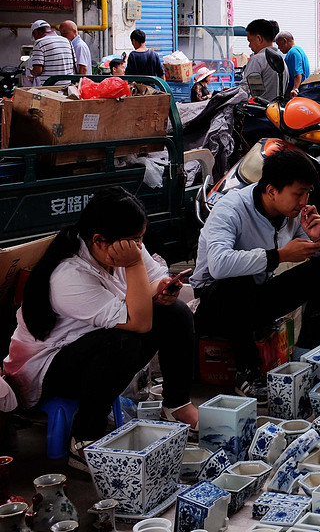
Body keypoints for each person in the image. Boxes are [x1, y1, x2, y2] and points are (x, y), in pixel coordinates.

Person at [3, 187, 199, 467]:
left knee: (176, 312)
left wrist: (163, 289)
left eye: (140, 239)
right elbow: (139, 322)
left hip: (93, 351)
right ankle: (83, 438)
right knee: (123, 340)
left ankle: (177, 405)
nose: (139, 246)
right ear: (99, 240)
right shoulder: (68, 275)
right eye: (134, 241)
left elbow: (154, 280)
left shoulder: (125, 246)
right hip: (47, 370)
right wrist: (134, 267)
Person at [191, 149, 320, 400]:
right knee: (236, 280)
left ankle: (308, 354)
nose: (304, 201)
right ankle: (247, 372)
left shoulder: (292, 215)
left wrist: (319, 239)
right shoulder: (230, 209)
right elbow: (218, 265)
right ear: (272, 190)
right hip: (217, 306)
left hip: (256, 300)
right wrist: (280, 255)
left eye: (308, 193)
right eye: (298, 194)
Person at [241, 19, 287, 102]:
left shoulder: (257, 59)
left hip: (260, 111)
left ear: (259, 39)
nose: (249, 45)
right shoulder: (282, 61)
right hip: (277, 110)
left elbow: (245, 91)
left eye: (250, 41)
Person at [27, 20, 75, 85]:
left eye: (34, 36)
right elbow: (74, 66)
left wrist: (32, 72)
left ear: (36, 32)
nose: (35, 38)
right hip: (67, 87)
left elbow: (38, 71)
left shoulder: (39, 42)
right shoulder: (67, 41)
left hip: (50, 88)